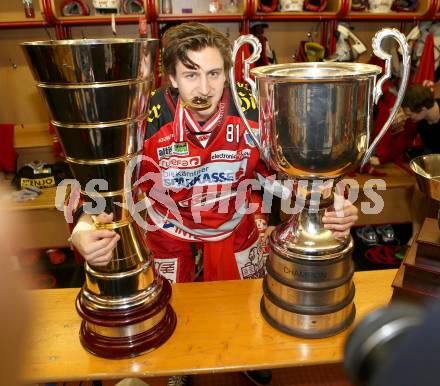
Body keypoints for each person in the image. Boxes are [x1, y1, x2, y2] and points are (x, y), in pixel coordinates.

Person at [71, 22, 358, 386]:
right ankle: (180, 366)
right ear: (172, 78)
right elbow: (108, 184)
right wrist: (84, 226)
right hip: (169, 232)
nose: (204, 89)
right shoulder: (143, 115)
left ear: (228, 73)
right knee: (175, 312)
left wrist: (323, 204)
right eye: (190, 75)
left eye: (214, 73)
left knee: (246, 306)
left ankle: (252, 356)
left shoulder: (255, 110)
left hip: (234, 226)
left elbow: (283, 174)